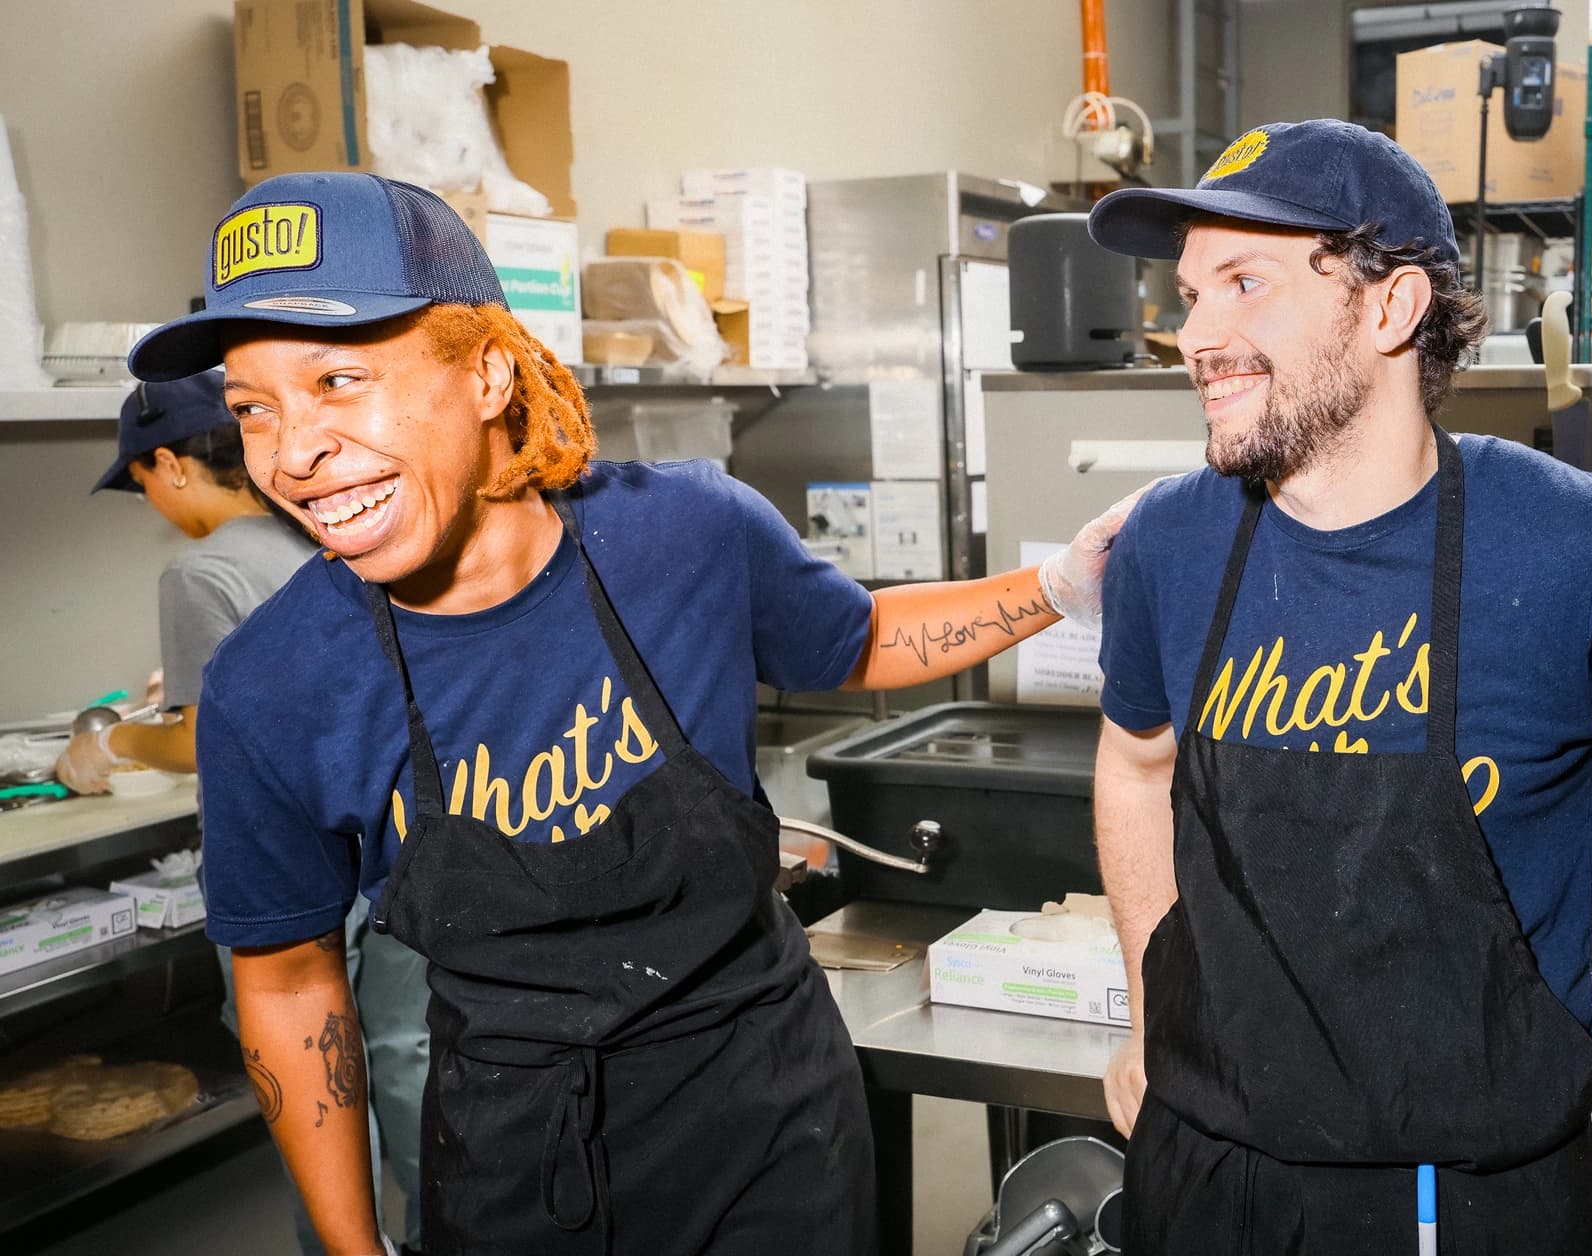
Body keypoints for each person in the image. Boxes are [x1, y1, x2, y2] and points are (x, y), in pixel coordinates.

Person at [128, 171, 1136, 1256]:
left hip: (771, 1124)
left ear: (487, 372)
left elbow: (858, 638)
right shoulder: (273, 683)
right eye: (253, 407)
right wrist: (352, 1246)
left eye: (338, 379)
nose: (293, 451)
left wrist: (1058, 588)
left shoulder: (685, 535)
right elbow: (286, 980)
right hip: (514, 1156)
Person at [1082, 120, 1592, 1256]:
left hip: (1459, 1197)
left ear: (1390, 307)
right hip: (1201, 1173)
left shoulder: (1586, 552)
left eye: (1244, 283)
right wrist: (1151, 1011)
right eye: (1189, 295)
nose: (1196, 336)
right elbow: (1135, 766)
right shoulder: (1169, 542)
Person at [55, 373, 431, 1255]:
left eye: (141, 477)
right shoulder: (323, 534)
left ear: (170, 463)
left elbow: (199, 746)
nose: (148, 497)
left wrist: (111, 748)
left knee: (314, 1082)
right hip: (395, 841)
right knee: (410, 1054)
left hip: (288, 864)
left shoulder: (200, 569)